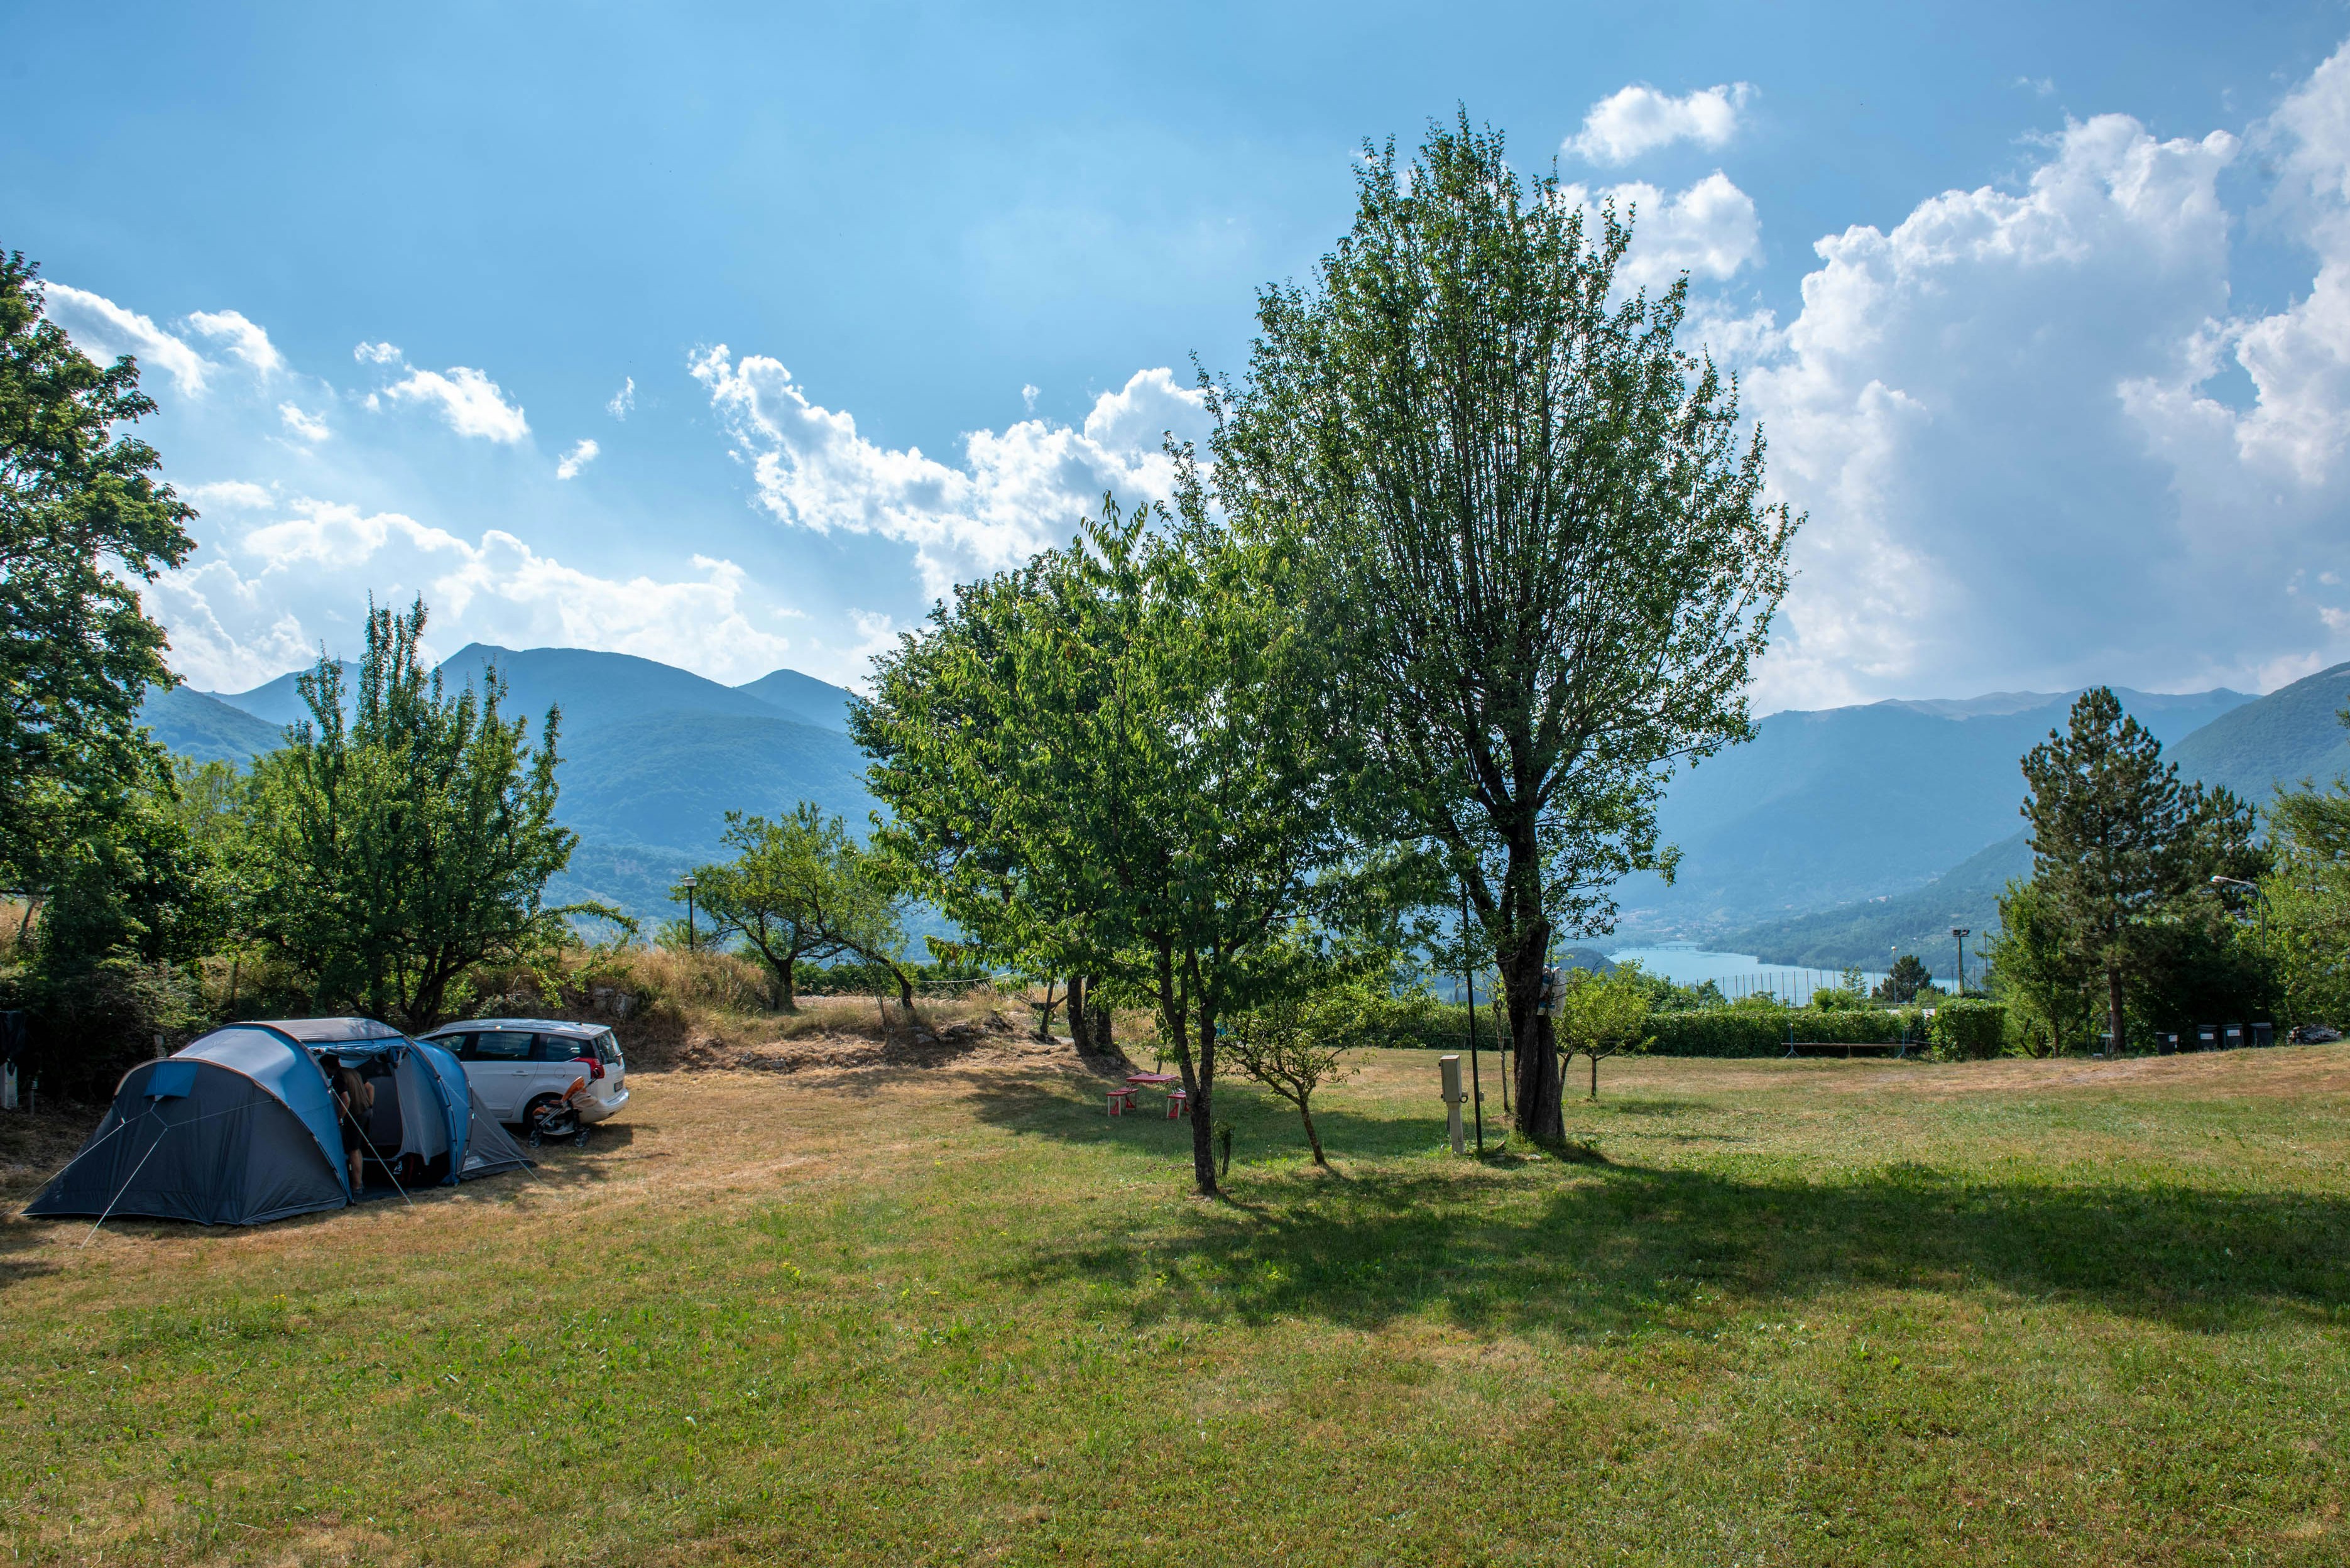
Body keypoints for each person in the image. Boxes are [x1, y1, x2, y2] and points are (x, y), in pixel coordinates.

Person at [331, 1057, 374, 1192]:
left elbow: (347, 1100)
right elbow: (371, 1088)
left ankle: (356, 1186)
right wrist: (370, 1105)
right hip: (366, 1112)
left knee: (353, 1150)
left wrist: (340, 1118)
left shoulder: (338, 1077)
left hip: (355, 1115)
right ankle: (360, 1181)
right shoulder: (354, 1072)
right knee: (358, 1148)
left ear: (327, 1067)